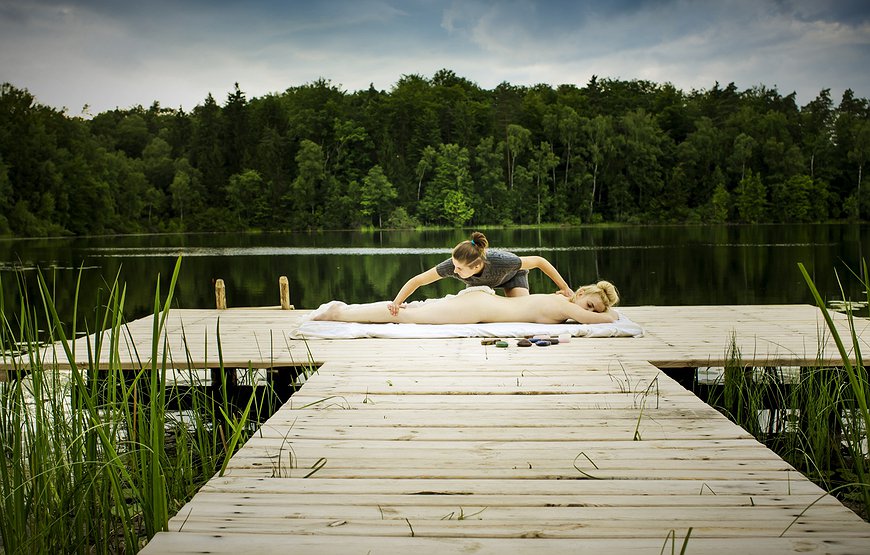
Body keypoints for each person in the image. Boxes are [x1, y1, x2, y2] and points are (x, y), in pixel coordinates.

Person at [388, 231, 572, 316]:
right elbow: (418, 280)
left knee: (522, 311)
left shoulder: (502, 261)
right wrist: (397, 303)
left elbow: (540, 261)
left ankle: (561, 302)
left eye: (459, 268)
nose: (454, 271)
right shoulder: (453, 266)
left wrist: (565, 288)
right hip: (480, 285)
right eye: (454, 265)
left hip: (511, 278)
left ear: (476, 267)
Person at [313, 281, 620, 325]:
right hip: (478, 308)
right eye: (589, 305)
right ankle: (340, 312)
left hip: (481, 304)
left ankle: (343, 311)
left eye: (593, 309)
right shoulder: (568, 306)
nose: (587, 312)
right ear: (579, 294)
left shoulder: (562, 300)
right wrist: (607, 314)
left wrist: (603, 307)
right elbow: (608, 321)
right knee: (405, 316)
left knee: (414, 312)